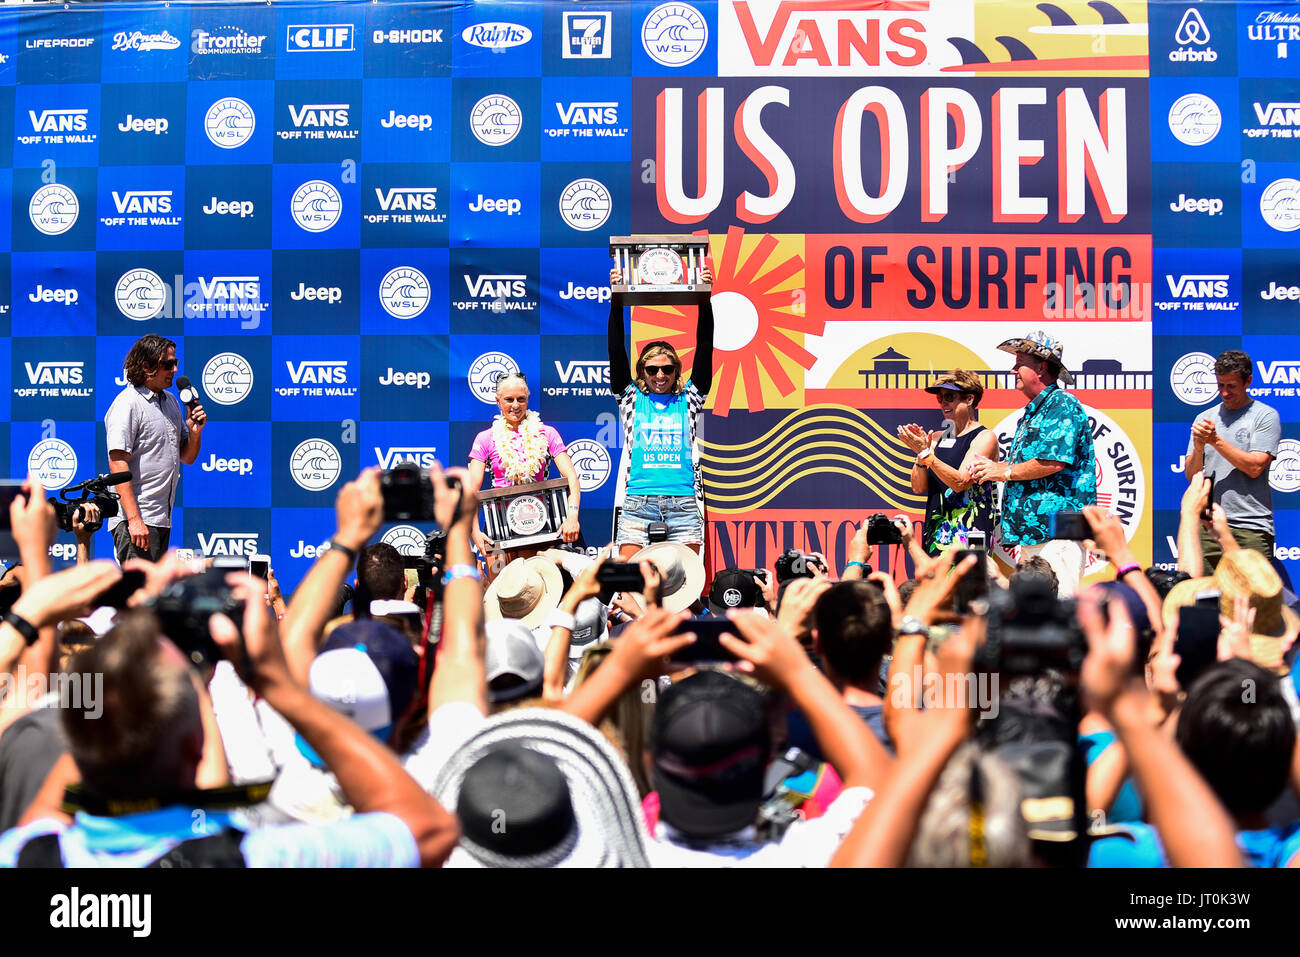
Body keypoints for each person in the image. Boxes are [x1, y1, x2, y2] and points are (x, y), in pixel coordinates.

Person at [969, 331, 1096, 598]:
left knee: (1056, 613)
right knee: (1035, 614)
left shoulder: (1061, 403)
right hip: (1036, 534)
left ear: (1040, 368)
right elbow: (1036, 463)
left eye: (1020, 362)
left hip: (1057, 533)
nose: (1013, 369)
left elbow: (1053, 462)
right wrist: (996, 468)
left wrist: (1002, 471)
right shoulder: (1037, 410)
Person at [607, 263, 714, 559]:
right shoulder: (630, 400)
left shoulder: (689, 399)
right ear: (642, 370)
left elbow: (706, 348)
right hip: (637, 505)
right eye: (652, 369)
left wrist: (705, 301)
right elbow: (616, 352)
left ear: (676, 370)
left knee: (684, 586)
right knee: (628, 583)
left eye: (667, 368)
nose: (660, 375)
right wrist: (617, 301)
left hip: (682, 504)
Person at [466, 372, 582, 578]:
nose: (515, 405)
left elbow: (571, 477)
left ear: (528, 400)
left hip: (540, 526)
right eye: (509, 400)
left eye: (521, 399)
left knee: (537, 590)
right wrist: (475, 530)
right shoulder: (485, 438)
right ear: (498, 402)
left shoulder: (547, 433)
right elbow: (471, 489)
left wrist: (572, 515)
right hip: (498, 528)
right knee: (499, 589)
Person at [104, 334, 206, 563]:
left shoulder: (170, 401)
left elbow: (187, 457)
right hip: (137, 520)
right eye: (167, 364)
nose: (175, 369)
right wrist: (134, 520)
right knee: (136, 595)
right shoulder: (127, 403)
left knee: (151, 596)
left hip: (161, 518)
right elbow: (117, 462)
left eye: (175, 363)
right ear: (146, 366)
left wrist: (195, 432)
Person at [1183, 349, 1280, 574]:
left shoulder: (1264, 416)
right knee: (1205, 603)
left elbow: (1255, 467)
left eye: (1232, 386)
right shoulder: (1204, 418)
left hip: (1251, 527)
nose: (1225, 393)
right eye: (1220, 385)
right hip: (1208, 527)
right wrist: (1198, 448)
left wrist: (1215, 440)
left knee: (1254, 601)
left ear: (1248, 381)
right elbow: (1192, 477)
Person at [896, 369, 998, 555]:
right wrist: (921, 455)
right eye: (940, 398)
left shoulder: (984, 437)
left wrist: (927, 454)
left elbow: (961, 482)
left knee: (970, 584)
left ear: (969, 399)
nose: (943, 403)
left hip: (971, 532)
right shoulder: (935, 438)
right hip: (938, 533)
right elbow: (918, 487)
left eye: (949, 397)